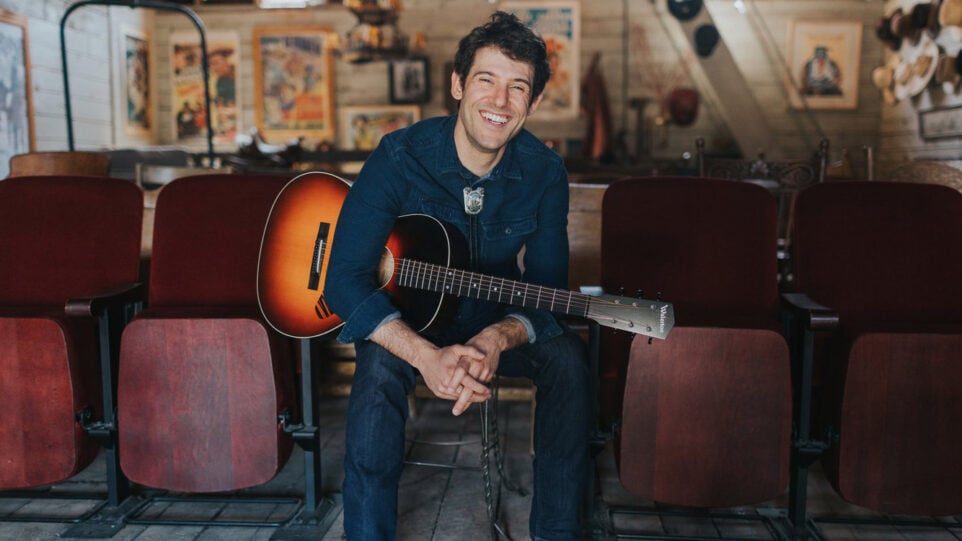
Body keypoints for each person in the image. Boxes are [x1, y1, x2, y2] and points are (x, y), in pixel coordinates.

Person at [323, 11, 591, 541]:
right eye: (486, 80)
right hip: (412, 321)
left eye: (518, 88)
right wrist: (425, 356)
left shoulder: (544, 172)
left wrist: (496, 337)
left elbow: (548, 292)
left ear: (533, 104)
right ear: (457, 84)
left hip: (494, 319)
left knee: (568, 360)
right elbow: (344, 279)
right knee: (377, 370)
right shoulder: (399, 157)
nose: (500, 101)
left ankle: (556, 532)